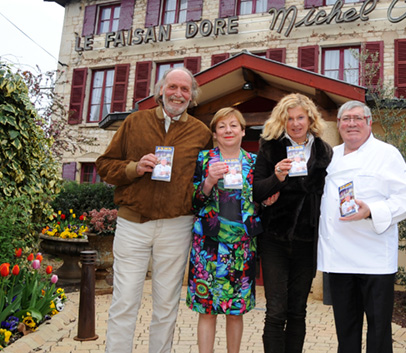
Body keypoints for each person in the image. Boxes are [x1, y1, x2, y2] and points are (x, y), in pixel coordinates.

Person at [96, 67, 212, 353]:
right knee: (125, 301)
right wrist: (134, 168)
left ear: (192, 96)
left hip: (176, 226)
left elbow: (205, 180)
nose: (178, 94)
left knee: (166, 304)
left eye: (185, 89)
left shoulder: (201, 133)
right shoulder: (135, 122)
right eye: (173, 87)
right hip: (133, 225)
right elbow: (104, 165)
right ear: (161, 90)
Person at [318, 100, 406, 353]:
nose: (351, 123)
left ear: (369, 122)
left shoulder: (387, 154)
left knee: (379, 330)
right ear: (339, 125)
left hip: (374, 258)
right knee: (346, 329)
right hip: (339, 259)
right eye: (345, 119)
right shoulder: (332, 156)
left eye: (357, 118)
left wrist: (371, 211)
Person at [253, 93, 333, 353]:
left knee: (298, 311)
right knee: (276, 311)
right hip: (274, 239)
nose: (296, 123)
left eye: (300, 117)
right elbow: (256, 191)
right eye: (289, 119)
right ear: (282, 121)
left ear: (310, 118)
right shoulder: (270, 146)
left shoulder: (324, 150)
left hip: (307, 240)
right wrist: (276, 177)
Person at [186, 107, 263, 353]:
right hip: (207, 247)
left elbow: (262, 199)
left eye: (233, 125)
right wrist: (208, 180)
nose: (227, 130)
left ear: (242, 130)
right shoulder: (203, 159)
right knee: (207, 311)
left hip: (242, 247)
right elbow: (193, 202)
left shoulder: (254, 162)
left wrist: (269, 198)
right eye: (221, 126)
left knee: (235, 311)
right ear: (215, 134)